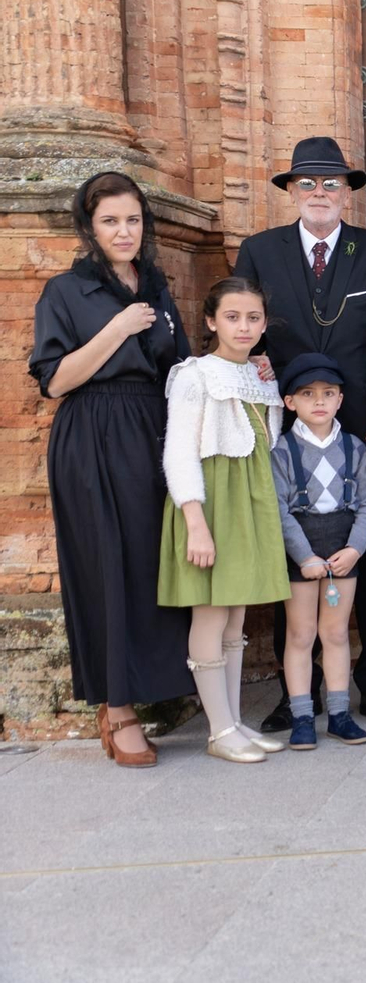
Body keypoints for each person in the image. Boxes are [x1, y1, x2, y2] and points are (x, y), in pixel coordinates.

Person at [234, 136, 366, 733]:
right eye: (307, 183)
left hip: (363, 428)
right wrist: (254, 360)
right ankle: (300, 692)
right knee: (297, 561)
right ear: (290, 190)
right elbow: (246, 329)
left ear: (348, 193)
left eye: (331, 184)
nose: (319, 193)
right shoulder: (259, 252)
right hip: (288, 432)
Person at [28, 173, 198, 767]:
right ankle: (116, 709)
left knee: (152, 560)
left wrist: (241, 372)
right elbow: (55, 380)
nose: (124, 232)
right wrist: (117, 329)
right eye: (110, 222)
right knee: (105, 563)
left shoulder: (155, 286)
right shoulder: (66, 291)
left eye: (132, 219)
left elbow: (179, 371)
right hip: (95, 434)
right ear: (89, 228)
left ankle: (156, 688)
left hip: (154, 431)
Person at [157, 277, 292, 763]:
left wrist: (267, 381)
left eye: (253, 318)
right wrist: (196, 522)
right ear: (212, 321)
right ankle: (217, 731)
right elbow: (178, 453)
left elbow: (267, 442)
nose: (244, 326)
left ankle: (234, 721)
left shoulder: (260, 374)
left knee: (236, 615)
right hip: (212, 502)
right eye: (232, 317)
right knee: (211, 614)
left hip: (250, 500)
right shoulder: (194, 375)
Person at [270, 353, 366, 749]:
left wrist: (355, 549)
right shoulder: (282, 451)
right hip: (302, 550)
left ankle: (339, 715)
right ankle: (302, 717)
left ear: (340, 400)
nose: (319, 401)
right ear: (290, 402)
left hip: (342, 550)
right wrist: (304, 556)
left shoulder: (354, 448)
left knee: (335, 633)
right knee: (300, 635)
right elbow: (278, 510)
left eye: (328, 393)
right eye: (308, 394)